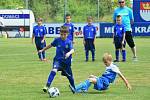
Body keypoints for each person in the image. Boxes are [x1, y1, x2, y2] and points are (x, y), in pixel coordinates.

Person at [39, 26, 76, 93]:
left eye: (64, 34)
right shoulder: (57, 40)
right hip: (58, 60)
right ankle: (47, 86)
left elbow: (72, 50)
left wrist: (69, 53)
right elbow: (50, 45)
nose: (63, 36)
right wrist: (43, 50)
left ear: (67, 34)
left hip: (66, 63)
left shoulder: (69, 42)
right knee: (54, 70)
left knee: (70, 77)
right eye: (61, 34)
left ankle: (74, 88)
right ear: (60, 33)